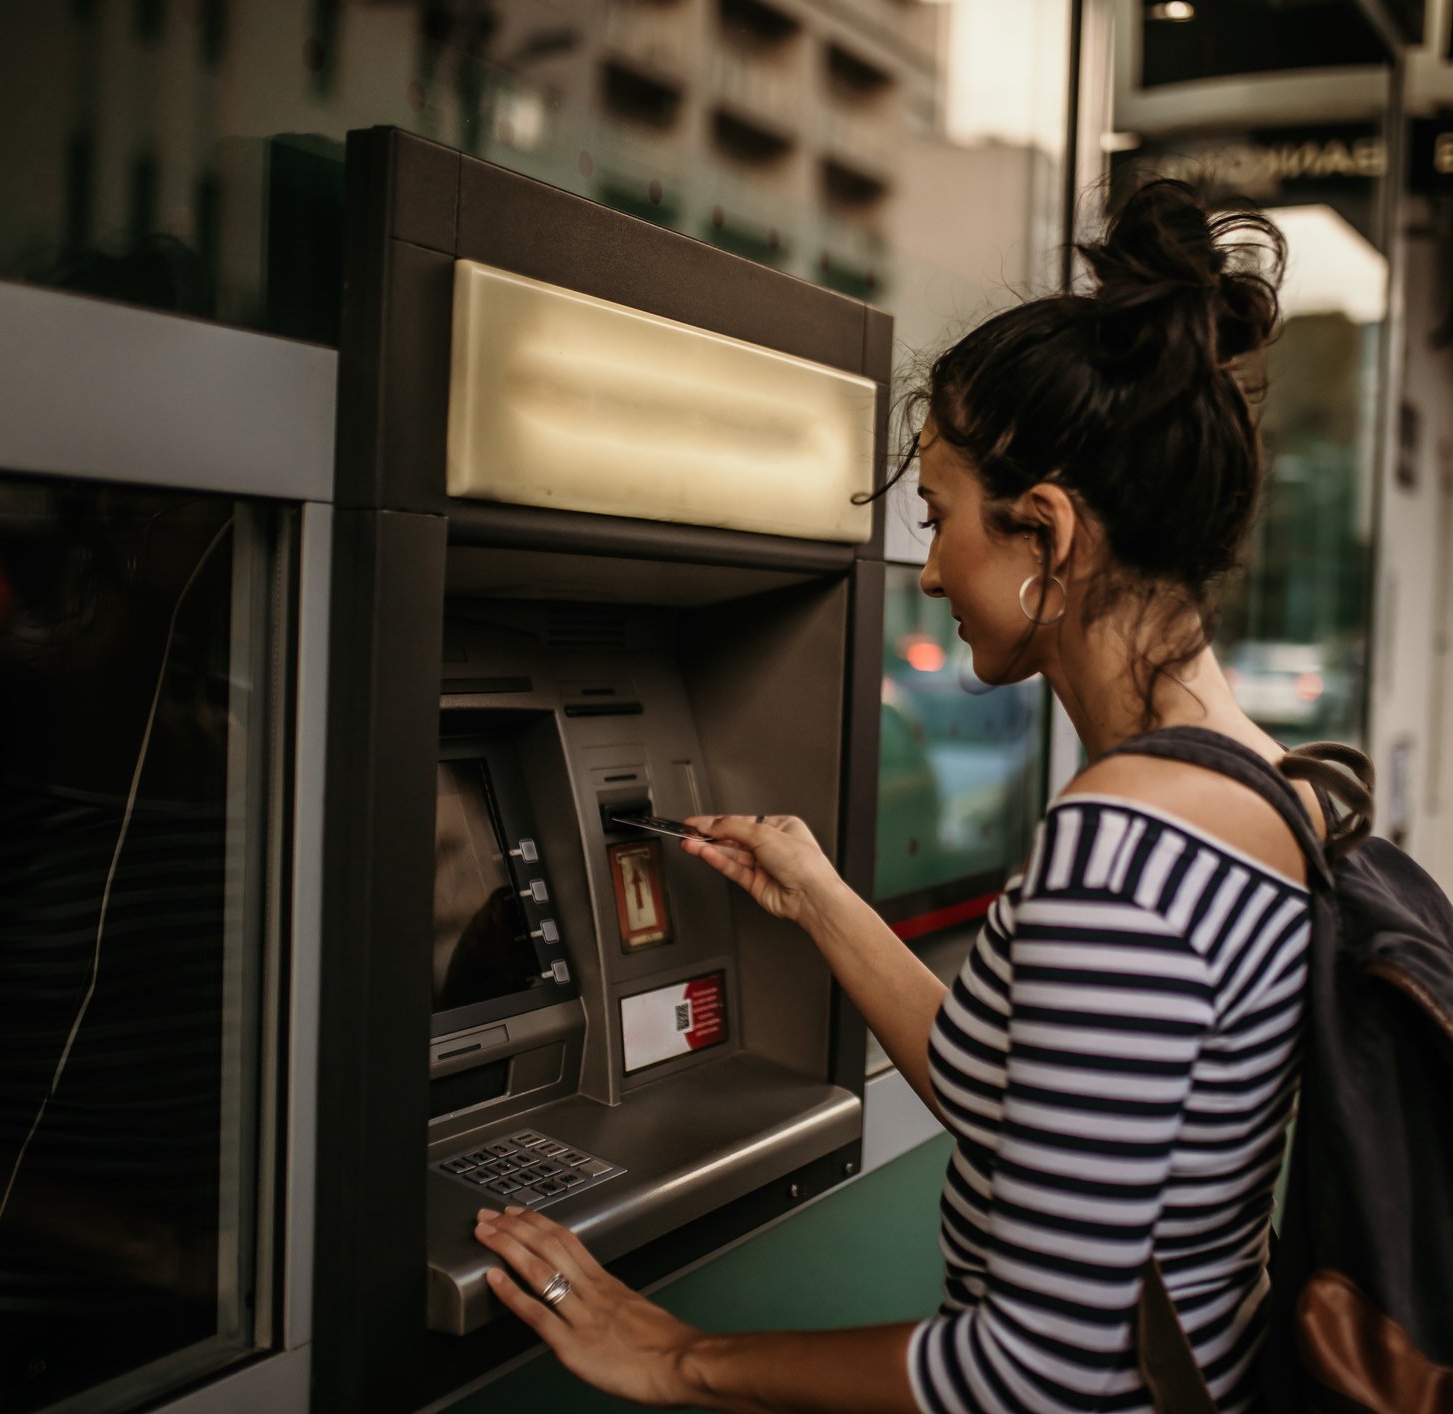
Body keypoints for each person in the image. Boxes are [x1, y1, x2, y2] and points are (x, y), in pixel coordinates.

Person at [469, 181, 1317, 1413]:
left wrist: (677, 1357)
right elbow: (1009, 1100)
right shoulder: (1251, 784)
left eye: (940, 516)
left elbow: (1038, 1371)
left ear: (1048, 532)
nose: (928, 572)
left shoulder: (1122, 853)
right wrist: (817, 896)